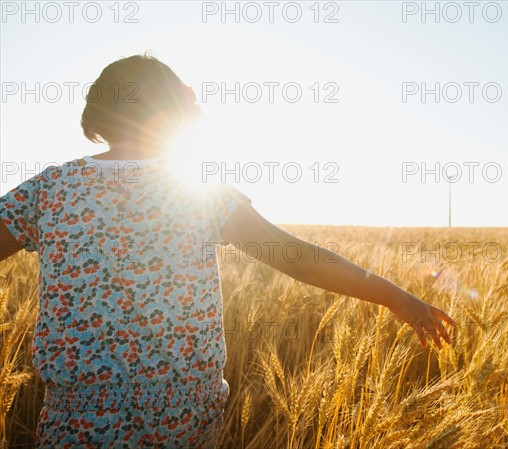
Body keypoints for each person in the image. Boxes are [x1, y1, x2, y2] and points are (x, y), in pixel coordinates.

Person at [0, 53, 456, 449]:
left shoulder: (50, 190)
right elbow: (294, 256)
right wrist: (395, 296)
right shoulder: (199, 190)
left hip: (78, 417)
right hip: (182, 413)